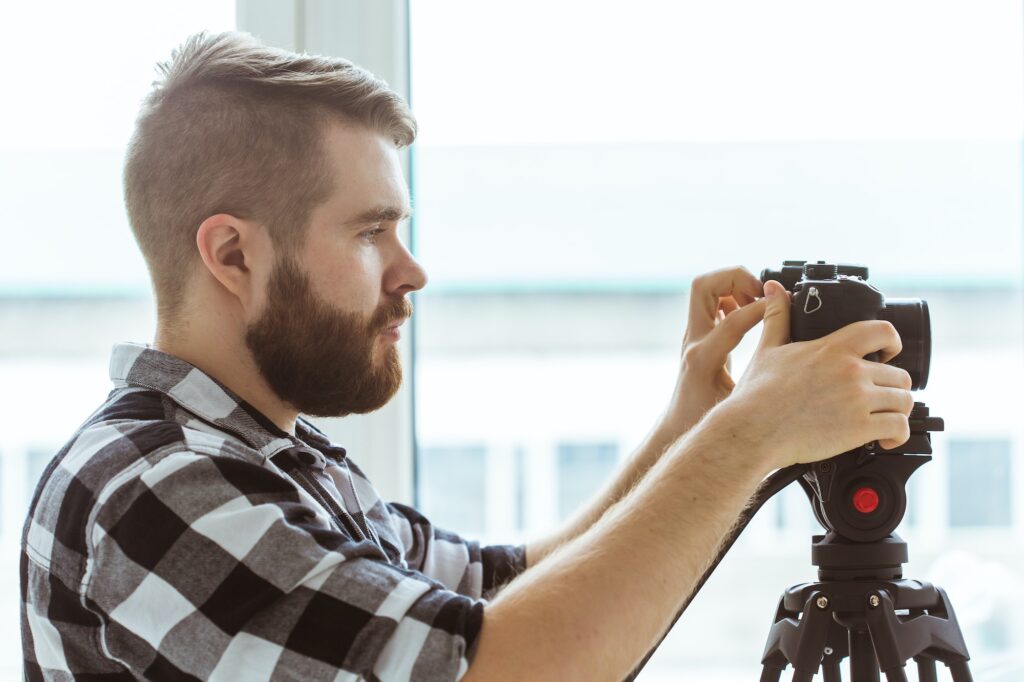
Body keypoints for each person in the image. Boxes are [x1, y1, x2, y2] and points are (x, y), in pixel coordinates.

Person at [20, 31, 915, 681]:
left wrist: (699, 422)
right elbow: (495, 668)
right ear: (233, 255)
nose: (411, 271)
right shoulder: (154, 492)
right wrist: (751, 436)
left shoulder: (268, 462)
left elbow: (511, 588)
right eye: (371, 232)